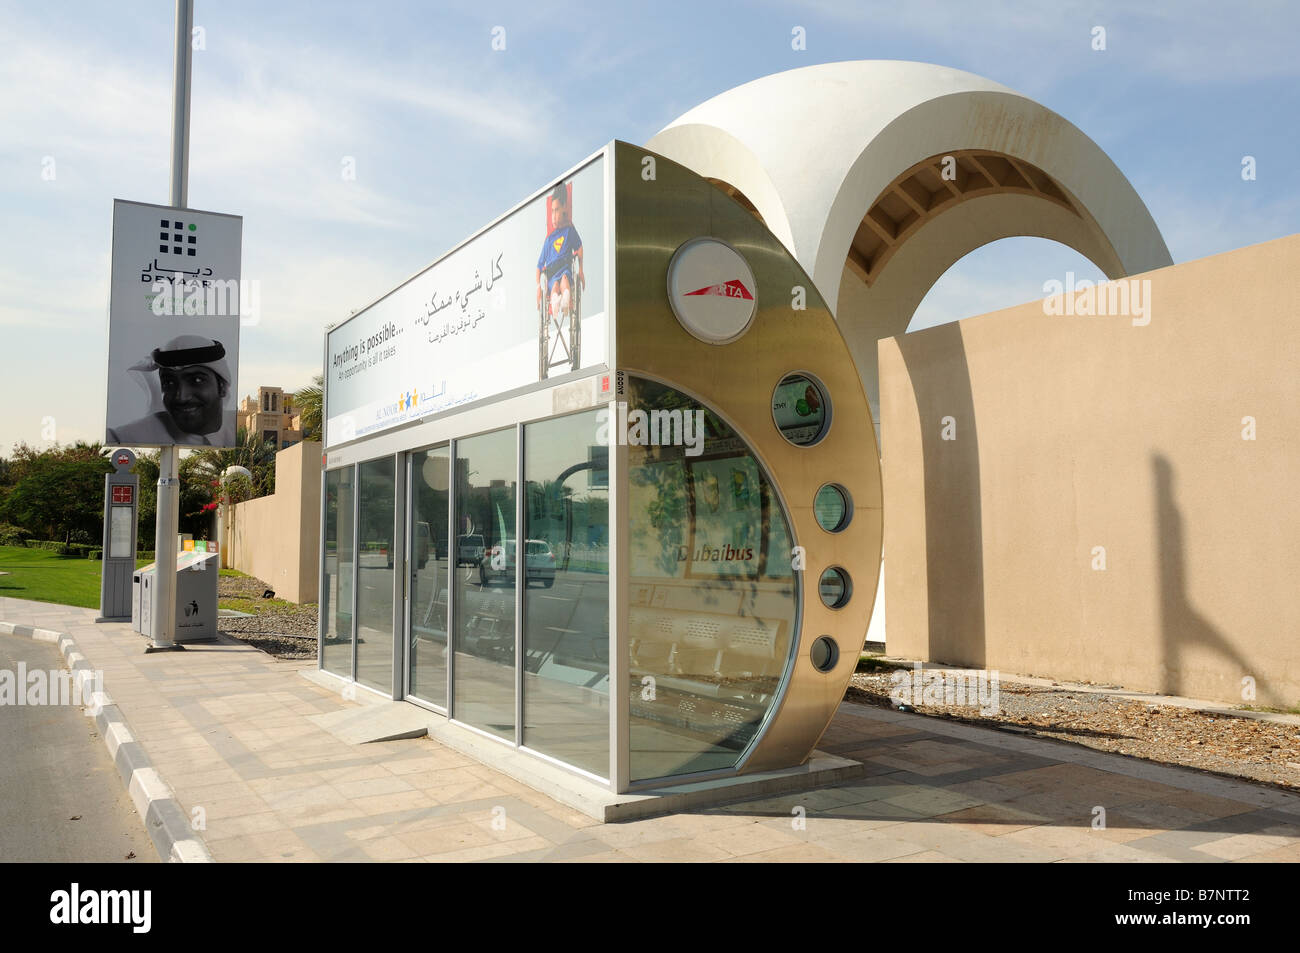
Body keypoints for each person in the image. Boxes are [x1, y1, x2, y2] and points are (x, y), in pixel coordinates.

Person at [107, 335, 234, 446]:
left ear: (222, 386)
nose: (181, 397)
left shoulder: (241, 433)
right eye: (169, 383)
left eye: (196, 380)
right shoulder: (124, 437)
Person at [536, 184, 585, 324]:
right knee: (554, 287)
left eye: (556, 210)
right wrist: (538, 287)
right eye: (552, 211)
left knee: (564, 280)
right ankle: (556, 302)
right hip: (551, 274)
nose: (553, 216)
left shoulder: (569, 231)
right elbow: (539, 265)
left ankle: (565, 299)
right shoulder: (549, 240)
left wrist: (580, 269)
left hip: (564, 269)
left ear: (564, 208)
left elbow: (579, 247)